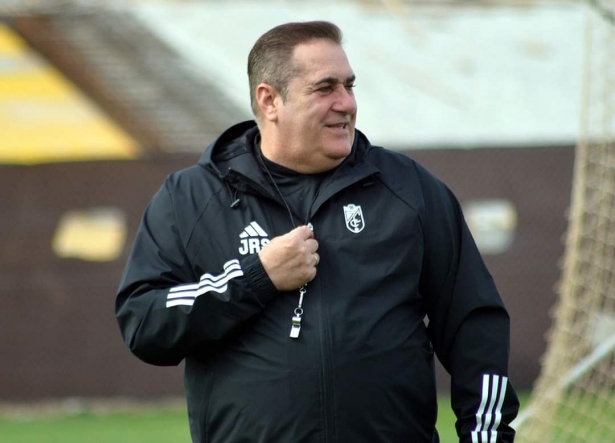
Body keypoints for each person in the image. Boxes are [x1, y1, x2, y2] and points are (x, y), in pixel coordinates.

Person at [116, 21, 519, 443]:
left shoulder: (409, 190)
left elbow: (476, 327)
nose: (346, 103)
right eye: (325, 88)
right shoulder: (191, 198)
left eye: (349, 85)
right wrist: (257, 278)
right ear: (269, 100)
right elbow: (144, 322)